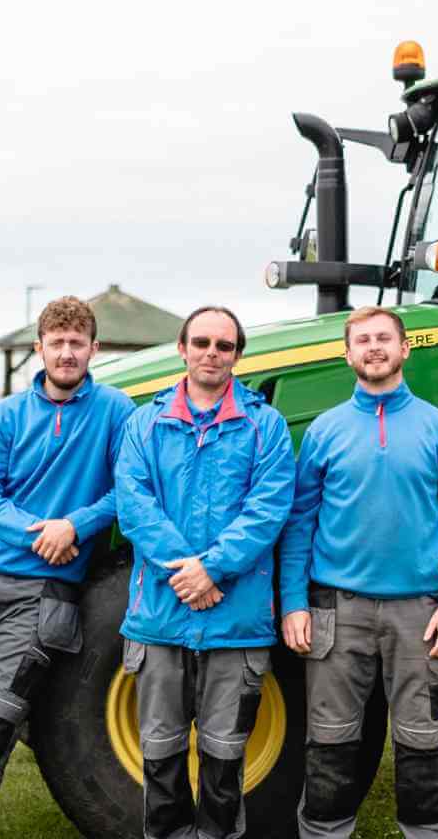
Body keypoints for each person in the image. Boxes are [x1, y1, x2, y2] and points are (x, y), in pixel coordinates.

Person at [0, 296, 135, 839]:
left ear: (93, 349)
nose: (66, 353)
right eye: (56, 343)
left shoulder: (116, 413)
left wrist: (75, 527)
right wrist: (42, 531)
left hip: (46, 590)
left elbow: (128, 491)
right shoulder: (4, 416)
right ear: (40, 349)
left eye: (76, 344)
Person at [279, 307, 438, 839]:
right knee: (331, 743)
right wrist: (294, 602)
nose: (373, 347)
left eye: (383, 338)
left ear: (405, 348)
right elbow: (300, 526)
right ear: (347, 355)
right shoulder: (324, 432)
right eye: (362, 340)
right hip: (337, 612)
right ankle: (324, 833)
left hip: (420, 613)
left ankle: (430, 834)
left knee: (420, 744)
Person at [115, 305, 295, 839]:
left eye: (223, 345)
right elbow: (134, 504)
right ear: (182, 348)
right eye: (201, 343)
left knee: (224, 758)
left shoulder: (265, 426)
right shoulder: (144, 423)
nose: (211, 353)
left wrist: (213, 569)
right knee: (160, 752)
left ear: (238, 355)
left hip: (234, 618)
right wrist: (186, 573)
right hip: (161, 616)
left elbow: (267, 509)